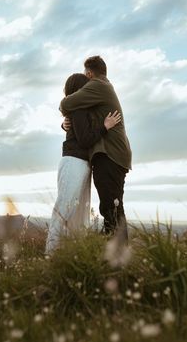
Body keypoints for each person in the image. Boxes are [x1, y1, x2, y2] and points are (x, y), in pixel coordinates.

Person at [45, 73, 121, 254]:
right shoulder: (78, 109)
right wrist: (105, 126)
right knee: (65, 207)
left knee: (79, 211)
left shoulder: (80, 110)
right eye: (86, 87)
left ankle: (70, 253)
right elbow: (86, 140)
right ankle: (50, 252)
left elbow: (79, 132)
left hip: (81, 163)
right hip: (74, 161)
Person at [60, 56, 132, 243]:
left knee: (111, 208)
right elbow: (83, 122)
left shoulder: (97, 85)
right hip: (113, 155)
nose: (85, 81)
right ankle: (116, 254)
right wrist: (65, 123)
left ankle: (117, 255)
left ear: (90, 74)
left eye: (85, 75)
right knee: (113, 207)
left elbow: (66, 103)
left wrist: (66, 111)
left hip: (109, 155)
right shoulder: (104, 88)